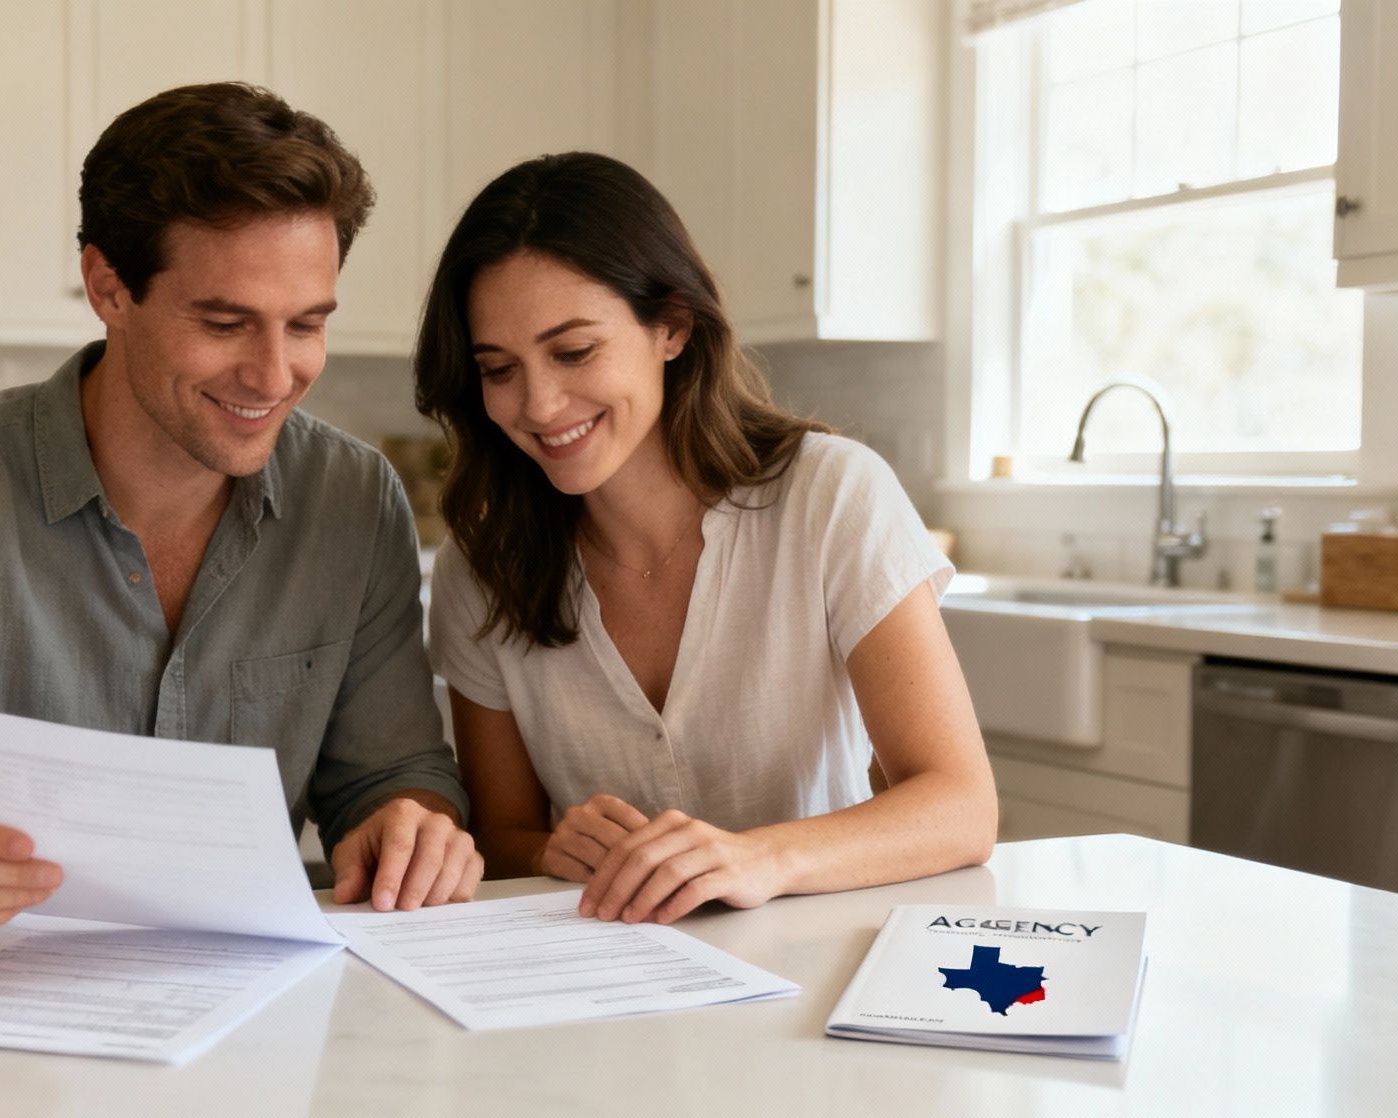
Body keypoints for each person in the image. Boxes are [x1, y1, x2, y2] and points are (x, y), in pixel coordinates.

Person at [0, 83, 481, 949]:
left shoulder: (353, 500)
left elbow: (394, 776)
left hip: (253, 1014)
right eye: (225, 323)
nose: (273, 374)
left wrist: (409, 826)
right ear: (108, 287)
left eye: (306, 325)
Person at [416, 152, 995, 927]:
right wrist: (550, 847)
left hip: (814, 961)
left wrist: (762, 856)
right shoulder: (479, 571)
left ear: (673, 327)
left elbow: (961, 807)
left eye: (574, 351)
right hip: (603, 986)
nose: (540, 404)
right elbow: (502, 833)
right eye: (499, 369)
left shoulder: (831, 497)